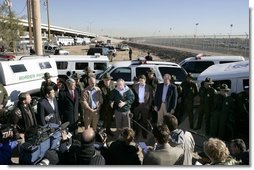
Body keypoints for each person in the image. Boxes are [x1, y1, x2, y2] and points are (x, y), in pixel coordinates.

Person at [132, 75, 153, 139]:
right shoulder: (134, 86)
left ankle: (144, 134)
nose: (141, 82)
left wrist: (148, 106)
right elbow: (132, 96)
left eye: (142, 81)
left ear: (145, 80)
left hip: (145, 106)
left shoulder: (149, 87)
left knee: (145, 121)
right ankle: (136, 133)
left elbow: (151, 98)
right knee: (135, 120)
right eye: (140, 81)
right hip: (136, 106)